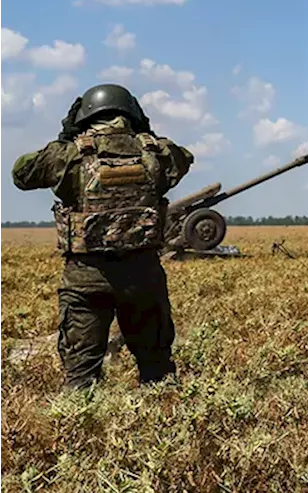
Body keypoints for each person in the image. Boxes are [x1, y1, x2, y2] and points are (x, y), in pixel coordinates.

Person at [11, 84, 194, 390]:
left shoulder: (68, 154)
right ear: (132, 113)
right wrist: (144, 131)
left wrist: (65, 136)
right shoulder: (156, 153)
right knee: (158, 373)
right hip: (143, 278)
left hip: (86, 280)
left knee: (80, 379)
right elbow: (183, 159)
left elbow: (22, 174)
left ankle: (80, 430)